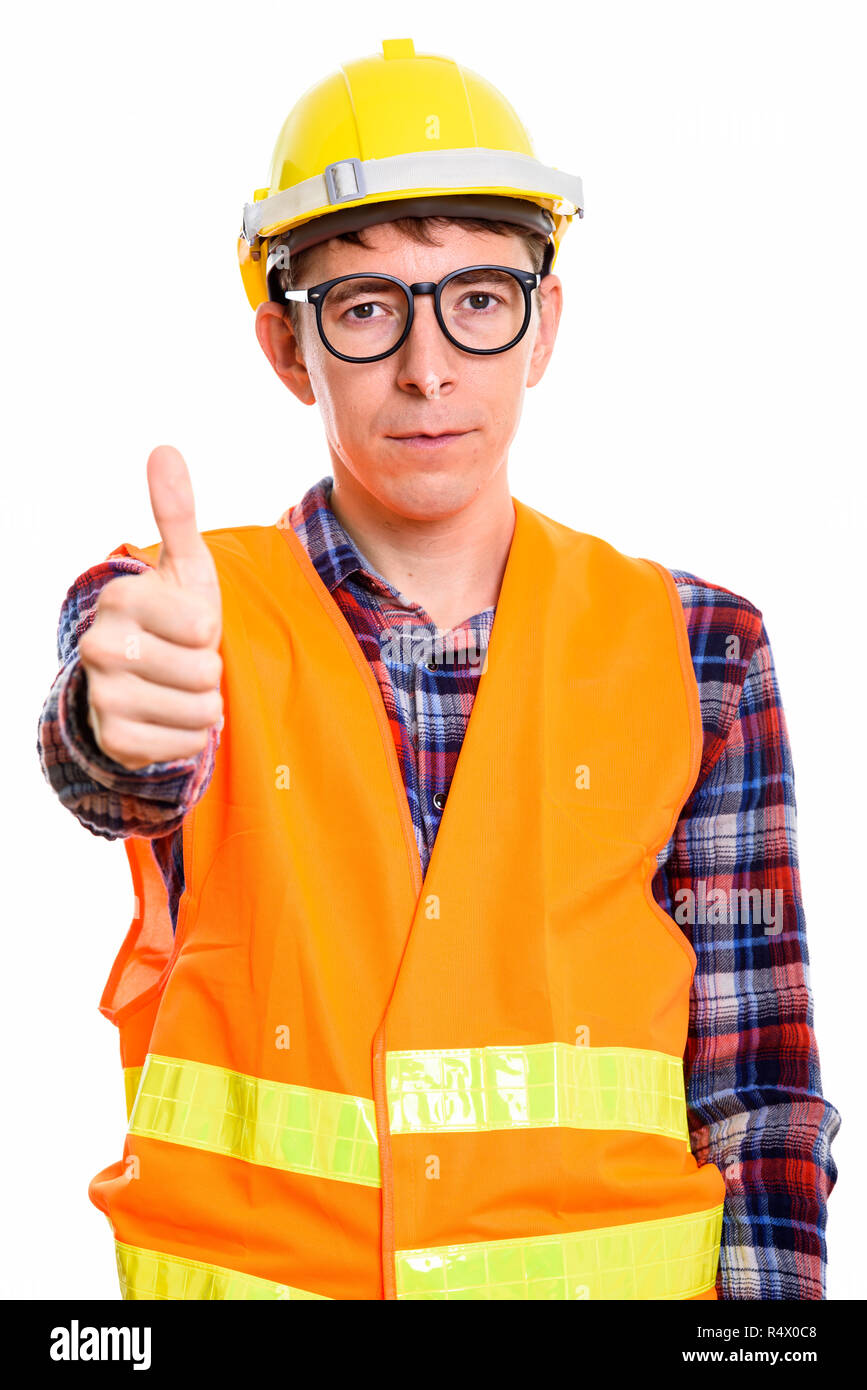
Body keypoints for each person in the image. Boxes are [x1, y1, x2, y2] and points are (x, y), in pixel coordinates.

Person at [37, 37, 840, 1301]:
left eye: (477, 296)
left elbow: (757, 1095)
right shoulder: (176, 612)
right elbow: (114, 763)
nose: (429, 366)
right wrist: (121, 720)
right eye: (366, 309)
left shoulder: (703, 651)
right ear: (287, 348)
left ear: (543, 324)